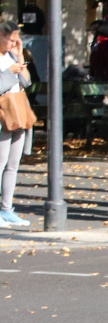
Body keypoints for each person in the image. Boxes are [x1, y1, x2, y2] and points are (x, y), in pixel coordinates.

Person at [0, 22, 34, 228]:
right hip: (3, 114)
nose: (14, 43)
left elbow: (27, 82)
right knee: (1, 162)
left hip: (18, 113)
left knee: (13, 164)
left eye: (16, 40)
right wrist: (8, 72)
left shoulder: (11, 56)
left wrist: (20, 56)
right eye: (11, 39)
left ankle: (7, 208)